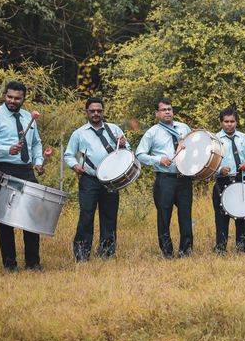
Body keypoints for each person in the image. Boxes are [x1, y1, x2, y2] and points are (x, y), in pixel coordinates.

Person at [0, 81, 44, 272]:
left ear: (23, 98)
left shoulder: (28, 117)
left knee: (32, 219)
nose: (12, 101)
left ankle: (33, 263)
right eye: (9, 97)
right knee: (5, 221)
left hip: (26, 171)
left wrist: (39, 161)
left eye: (17, 98)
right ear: (4, 96)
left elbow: (37, 143)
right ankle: (10, 264)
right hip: (3, 170)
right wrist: (7, 149)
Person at [64, 97, 130, 261]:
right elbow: (69, 154)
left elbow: (126, 150)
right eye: (92, 111)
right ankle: (81, 254)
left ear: (103, 112)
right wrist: (75, 166)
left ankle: (106, 252)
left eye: (99, 111)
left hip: (111, 180)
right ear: (86, 112)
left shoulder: (114, 129)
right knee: (86, 215)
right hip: (89, 179)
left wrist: (123, 145)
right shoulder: (79, 133)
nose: (96, 113)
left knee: (109, 216)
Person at [135, 98, 193, 258]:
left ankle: (186, 252)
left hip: (184, 179)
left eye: (170, 109)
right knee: (164, 216)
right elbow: (139, 154)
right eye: (164, 110)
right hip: (165, 180)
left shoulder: (183, 127)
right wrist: (158, 160)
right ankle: (167, 252)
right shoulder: (152, 132)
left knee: (185, 216)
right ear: (157, 114)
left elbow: (195, 146)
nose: (168, 112)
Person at [213, 107, 245, 253]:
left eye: (232, 121)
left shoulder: (244, 138)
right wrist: (220, 169)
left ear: (236, 122)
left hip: (241, 181)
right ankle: (220, 249)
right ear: (221, 122)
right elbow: (208, 165)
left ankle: (243, 248)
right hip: (222, 181)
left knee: (243, 216)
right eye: (226, 121)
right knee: (221, 219)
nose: (229, 124)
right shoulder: (214, 140)